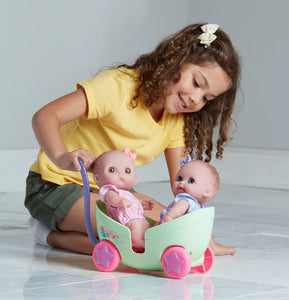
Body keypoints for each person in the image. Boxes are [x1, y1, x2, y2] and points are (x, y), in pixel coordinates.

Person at [25, 23, 240, 256]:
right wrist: (61, 157)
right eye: (197, 83)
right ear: (177, 58)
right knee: (135, 236)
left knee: (165, 230)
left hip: (118, 193)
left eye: (206, 98)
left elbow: (185, 187)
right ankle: (50, 236)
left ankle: (55, 233)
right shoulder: (118, 86)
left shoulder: (176, 120)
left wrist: (205, 239)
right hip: (56, 186)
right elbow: (45, 116)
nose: (196, 99)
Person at [93, 148, 152, 252]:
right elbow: (112, 199)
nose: (121, 176)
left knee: (146, 226)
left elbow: (134, 202)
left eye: (127, 171)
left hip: (138, 219)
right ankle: (138, 243)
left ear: (135, 180)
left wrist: (142, 204)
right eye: (112, 170)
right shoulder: (110, 191)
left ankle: (145, 241)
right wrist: (119, 201)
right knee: (136, 229)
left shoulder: (128, 194)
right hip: (125, 222)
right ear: (97, 179)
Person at [158, 155, 219, 224]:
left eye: (191, 181)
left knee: (152, 230)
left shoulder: (186, 200)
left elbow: (177, 209)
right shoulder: (199, 208)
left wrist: (169, 217)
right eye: (179, 179)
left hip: (171, 226)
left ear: (207, 191)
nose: (182, 182)